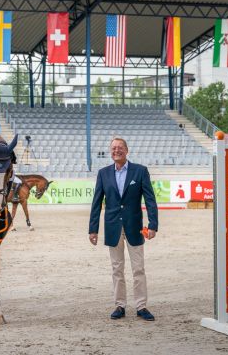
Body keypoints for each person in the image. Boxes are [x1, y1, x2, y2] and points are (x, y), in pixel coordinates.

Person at [88, 137, 158, 321]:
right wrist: (92, 229)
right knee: (117, 268)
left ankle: (141, 306)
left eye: (120, 148)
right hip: (113, 226)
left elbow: (150, 199)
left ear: (127, 150)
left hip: (135, 226)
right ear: (110, 151)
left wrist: (153, 225)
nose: (116, 150)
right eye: (113, 148)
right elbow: (96, 203)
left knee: (138, 269)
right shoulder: (103, 173)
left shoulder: (140, 171)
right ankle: (120, 305)